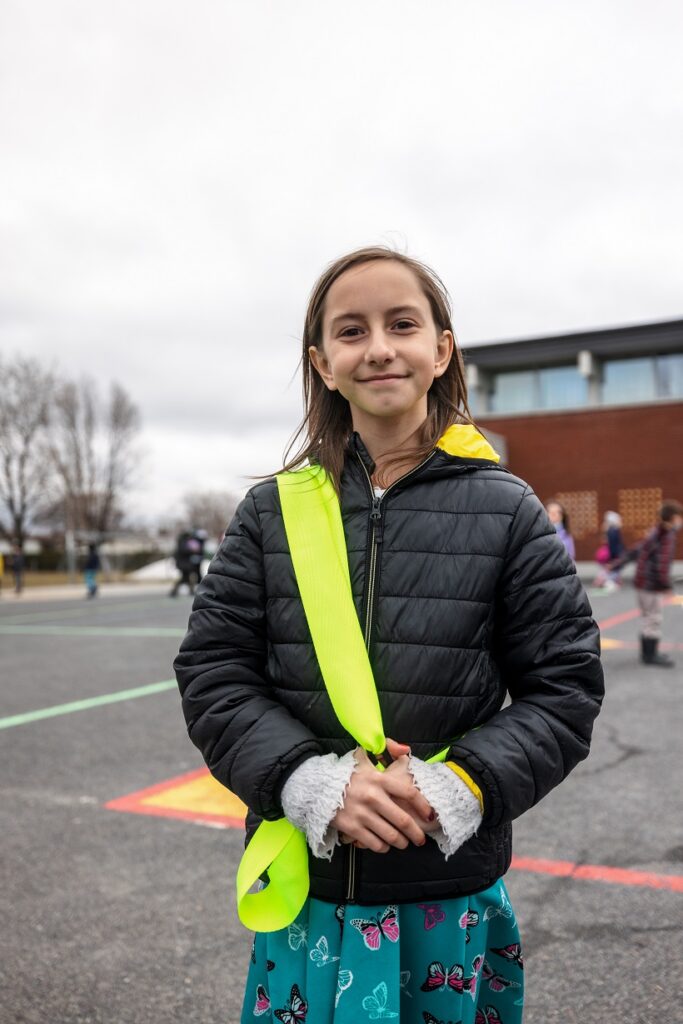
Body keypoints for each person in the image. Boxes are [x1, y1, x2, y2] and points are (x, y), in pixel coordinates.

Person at [174, 247, 604, 1024]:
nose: (378, 347)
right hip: (308, 884)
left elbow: (564, 688)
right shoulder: (269, 513)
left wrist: (457, 784)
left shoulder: (507, 511)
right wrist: (309, 783)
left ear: (441, 350)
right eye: (351, 331)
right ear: (323, 363)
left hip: (447, 889)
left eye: (401, 324)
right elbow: (214, 670)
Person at [634, 499, 683, 668]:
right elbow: (662, 564)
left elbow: (639, 551)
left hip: (643, 582)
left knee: (648, 617)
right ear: (674, 517)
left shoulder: (656, 532)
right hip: (651, 584)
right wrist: (666, 586)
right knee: (653, 618)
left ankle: (647, 653)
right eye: (679, 517)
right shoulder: (666, 536)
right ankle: (650, 654)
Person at [594, 511, 626, 591]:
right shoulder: (613, 531)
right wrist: (615, 555)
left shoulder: (610, 530)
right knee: (613, 569)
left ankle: (610, 581)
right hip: (614, 554)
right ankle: (609, 582)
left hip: (613, 554)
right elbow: (614, 545)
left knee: (612, 569)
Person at [169, 531, 196, 597]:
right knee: (185, 578)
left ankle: (190, 590)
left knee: (186, 578)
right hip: (184, 564)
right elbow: (185, 551)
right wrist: (192, 551)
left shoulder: (181, 542)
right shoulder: (183, 543)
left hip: (183, 564)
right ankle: (175, 591)